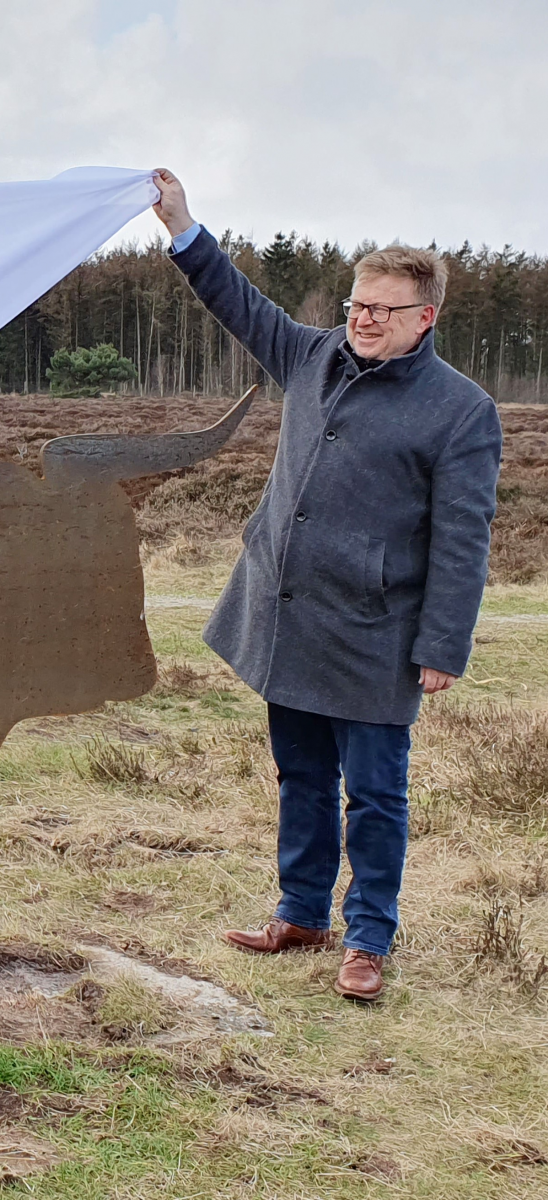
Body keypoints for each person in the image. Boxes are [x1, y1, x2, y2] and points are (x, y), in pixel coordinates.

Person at [149, 169, 502, 1002]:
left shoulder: (461, 410)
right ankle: (301, 912)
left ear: (426, 317)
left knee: (374, 795)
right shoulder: (312, 356)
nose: (364, 320)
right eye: (356, 303)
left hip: (376, 631)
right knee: (298, 776)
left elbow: (462, 537)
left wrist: (443, 642)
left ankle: (367, 938)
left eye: (383, 309)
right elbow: (239, 306)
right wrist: (182, 226)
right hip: (289, 616)